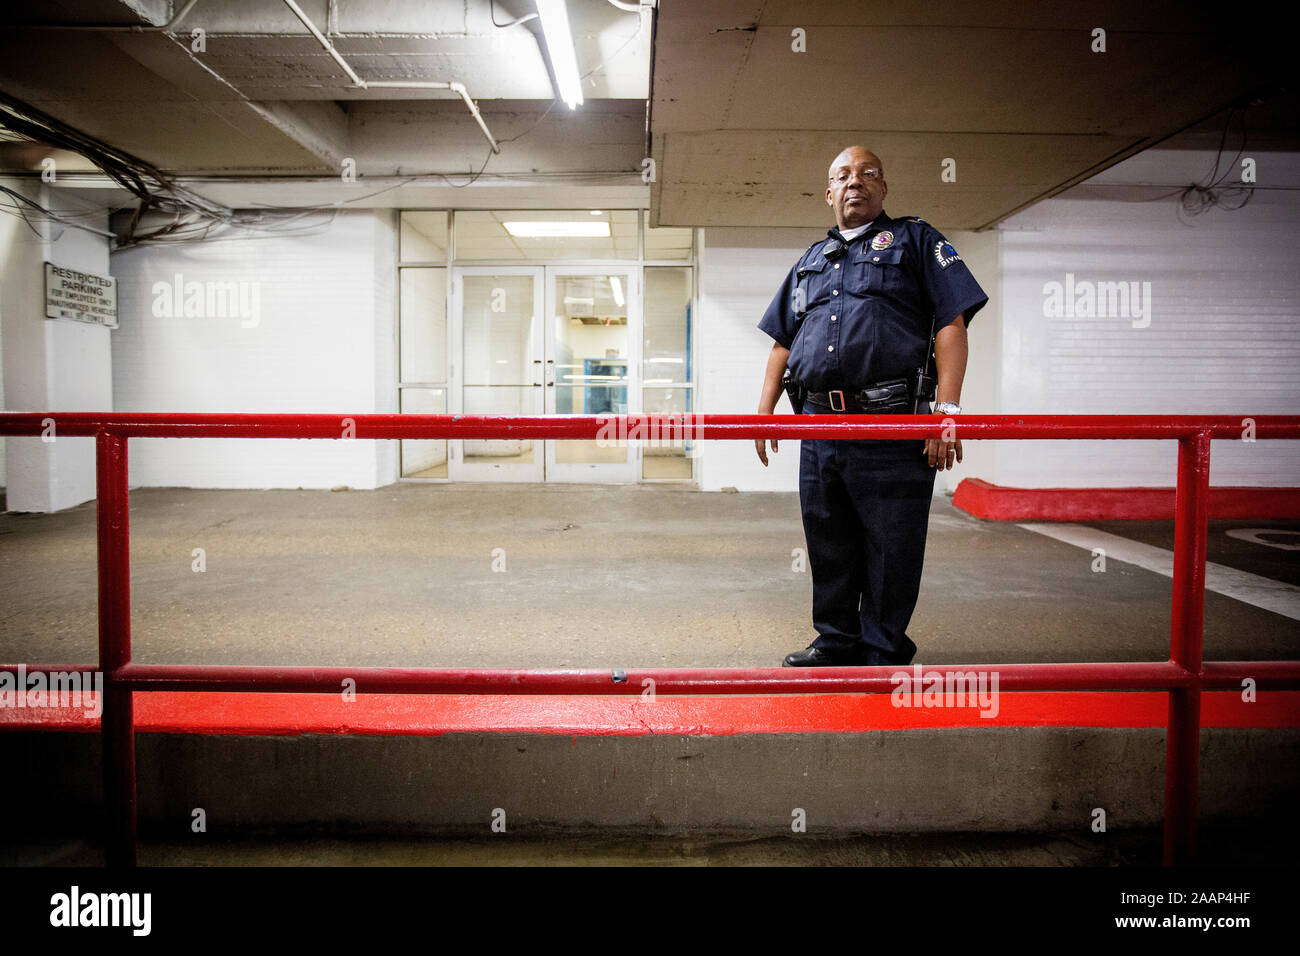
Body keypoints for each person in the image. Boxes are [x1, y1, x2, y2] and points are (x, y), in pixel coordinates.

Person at [754, 146, 988, 666]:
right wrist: (763, 412)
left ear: (883, 189)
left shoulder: (916, 240)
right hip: (817, 424)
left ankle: (883, 647)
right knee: (828, 536)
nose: (855, 181)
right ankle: (835, 640)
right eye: (844, 176)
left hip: (892, 421)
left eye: (868, 174)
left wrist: (946, 413)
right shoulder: (809, 260)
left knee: (891, 542)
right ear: (829, 194)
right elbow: (782, 342)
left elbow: (952, 324)